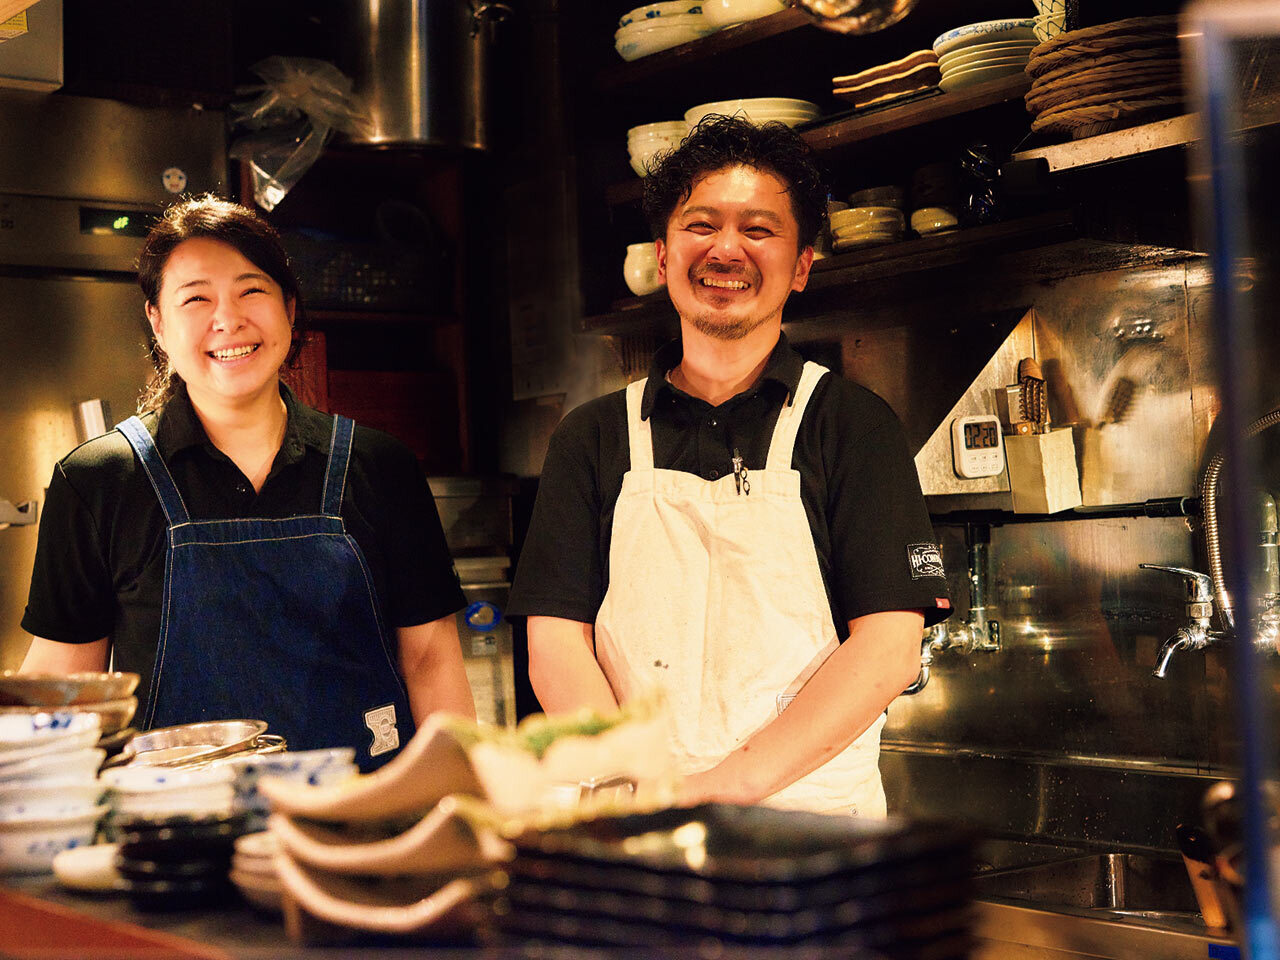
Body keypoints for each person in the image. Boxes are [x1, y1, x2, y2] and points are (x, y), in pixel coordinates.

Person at [508, 116, 952, 815]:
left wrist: (716, 789)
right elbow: (557, 641)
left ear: (802, 265)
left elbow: (891, 648)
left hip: (811, 838)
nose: (726, 249)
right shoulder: (591, 438)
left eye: (759, 229)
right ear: (663, 255)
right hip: (642, 822)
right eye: (702, 224)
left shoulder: (854, 426)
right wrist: (637, 782)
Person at [20, 196, 474, 770]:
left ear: (288, 307)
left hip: (366, 817)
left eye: (251, 291)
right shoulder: (98, 482)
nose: (228, 319)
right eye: (196, 298)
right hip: (179, 833)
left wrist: (457, 802)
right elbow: (65, 695)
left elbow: (432, 659)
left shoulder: (381, 467)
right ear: (158, 322)